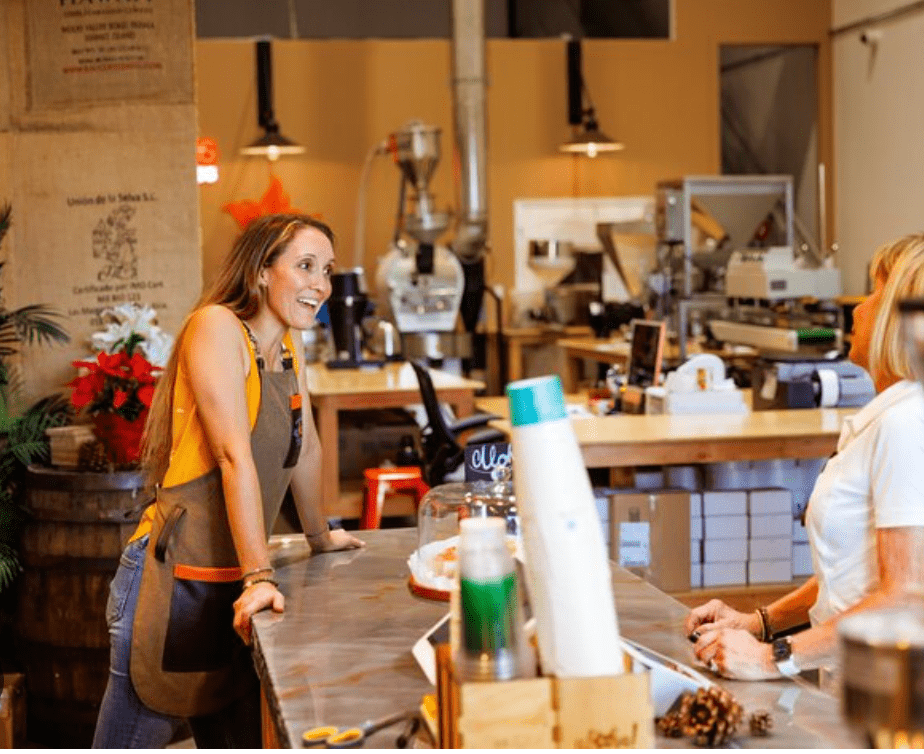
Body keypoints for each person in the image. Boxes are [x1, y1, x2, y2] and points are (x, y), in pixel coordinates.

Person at [92, 214, 365, 748]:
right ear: (262, 271)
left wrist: (319, 535)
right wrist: (260, 576)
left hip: (231, 584)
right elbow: (232, 456)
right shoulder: (216, 327)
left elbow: (306, 447)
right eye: (305, 266)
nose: (321, 285)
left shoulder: (288, 347)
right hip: (176, 582)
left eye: (327, 270)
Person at [685, 232, 924, 681]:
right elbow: (856, 567)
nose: (857, 309)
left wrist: (769, 658)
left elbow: (904, 596)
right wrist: (759, 623)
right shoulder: (890, 416)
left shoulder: (906, 423)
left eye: (873, 294)